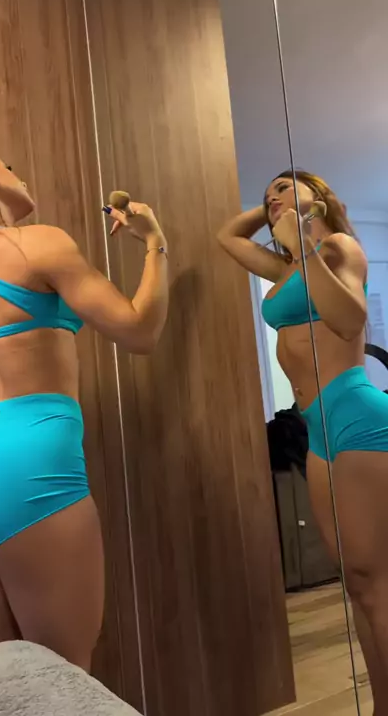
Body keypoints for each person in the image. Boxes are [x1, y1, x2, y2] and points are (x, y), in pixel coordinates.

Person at [0, 145, 168, 671]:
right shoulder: (37, 244)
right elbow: (141, 331)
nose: (19, 175)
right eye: (9, 165)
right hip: (29, 463)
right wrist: (155, 244)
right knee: (64, 681)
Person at [218, 169, 388, 713]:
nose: (273, 196)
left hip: (357, 417)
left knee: (377, 583)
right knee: (356, 583)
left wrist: (307, 232)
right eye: (268, 191)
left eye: (285, 186)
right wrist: (274, 212)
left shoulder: (337, 249)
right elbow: (227, 237)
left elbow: (351, 320)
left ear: (319, 197)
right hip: (316, 427)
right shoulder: (288, 267)